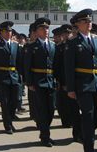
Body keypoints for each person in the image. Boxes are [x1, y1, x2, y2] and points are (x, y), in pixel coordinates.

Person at [64, 9, 97, 152]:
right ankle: (88, 147)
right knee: (88, 117)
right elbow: (69, 67)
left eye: (90, 21)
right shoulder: (72, 43)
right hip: (82, 85)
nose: (89, 23)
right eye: (85, 21)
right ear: (78, 24)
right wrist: (70, 88)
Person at [24, 17, 57, 147]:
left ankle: (45, 132)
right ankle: (45, 136)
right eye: (42, 28)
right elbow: (27, 66)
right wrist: (29, 83)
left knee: (51, 110)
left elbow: (57, 65)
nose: (45, 30)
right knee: (43, 110)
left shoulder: (53, 46)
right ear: (37, 31)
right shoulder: (31, 46)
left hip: (51, 81)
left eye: (47, 28)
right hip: (38, 82)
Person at [0, 21, 22, 134]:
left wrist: (20, 77)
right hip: (2, 77)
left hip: (14, 76)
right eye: (6, 31)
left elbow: (19, 62)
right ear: (2, 33)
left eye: (10, 31)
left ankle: (10, 120)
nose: (9, 33)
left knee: (14, 101)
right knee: (5, 102)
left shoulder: (15, 45)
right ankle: (7, 125)